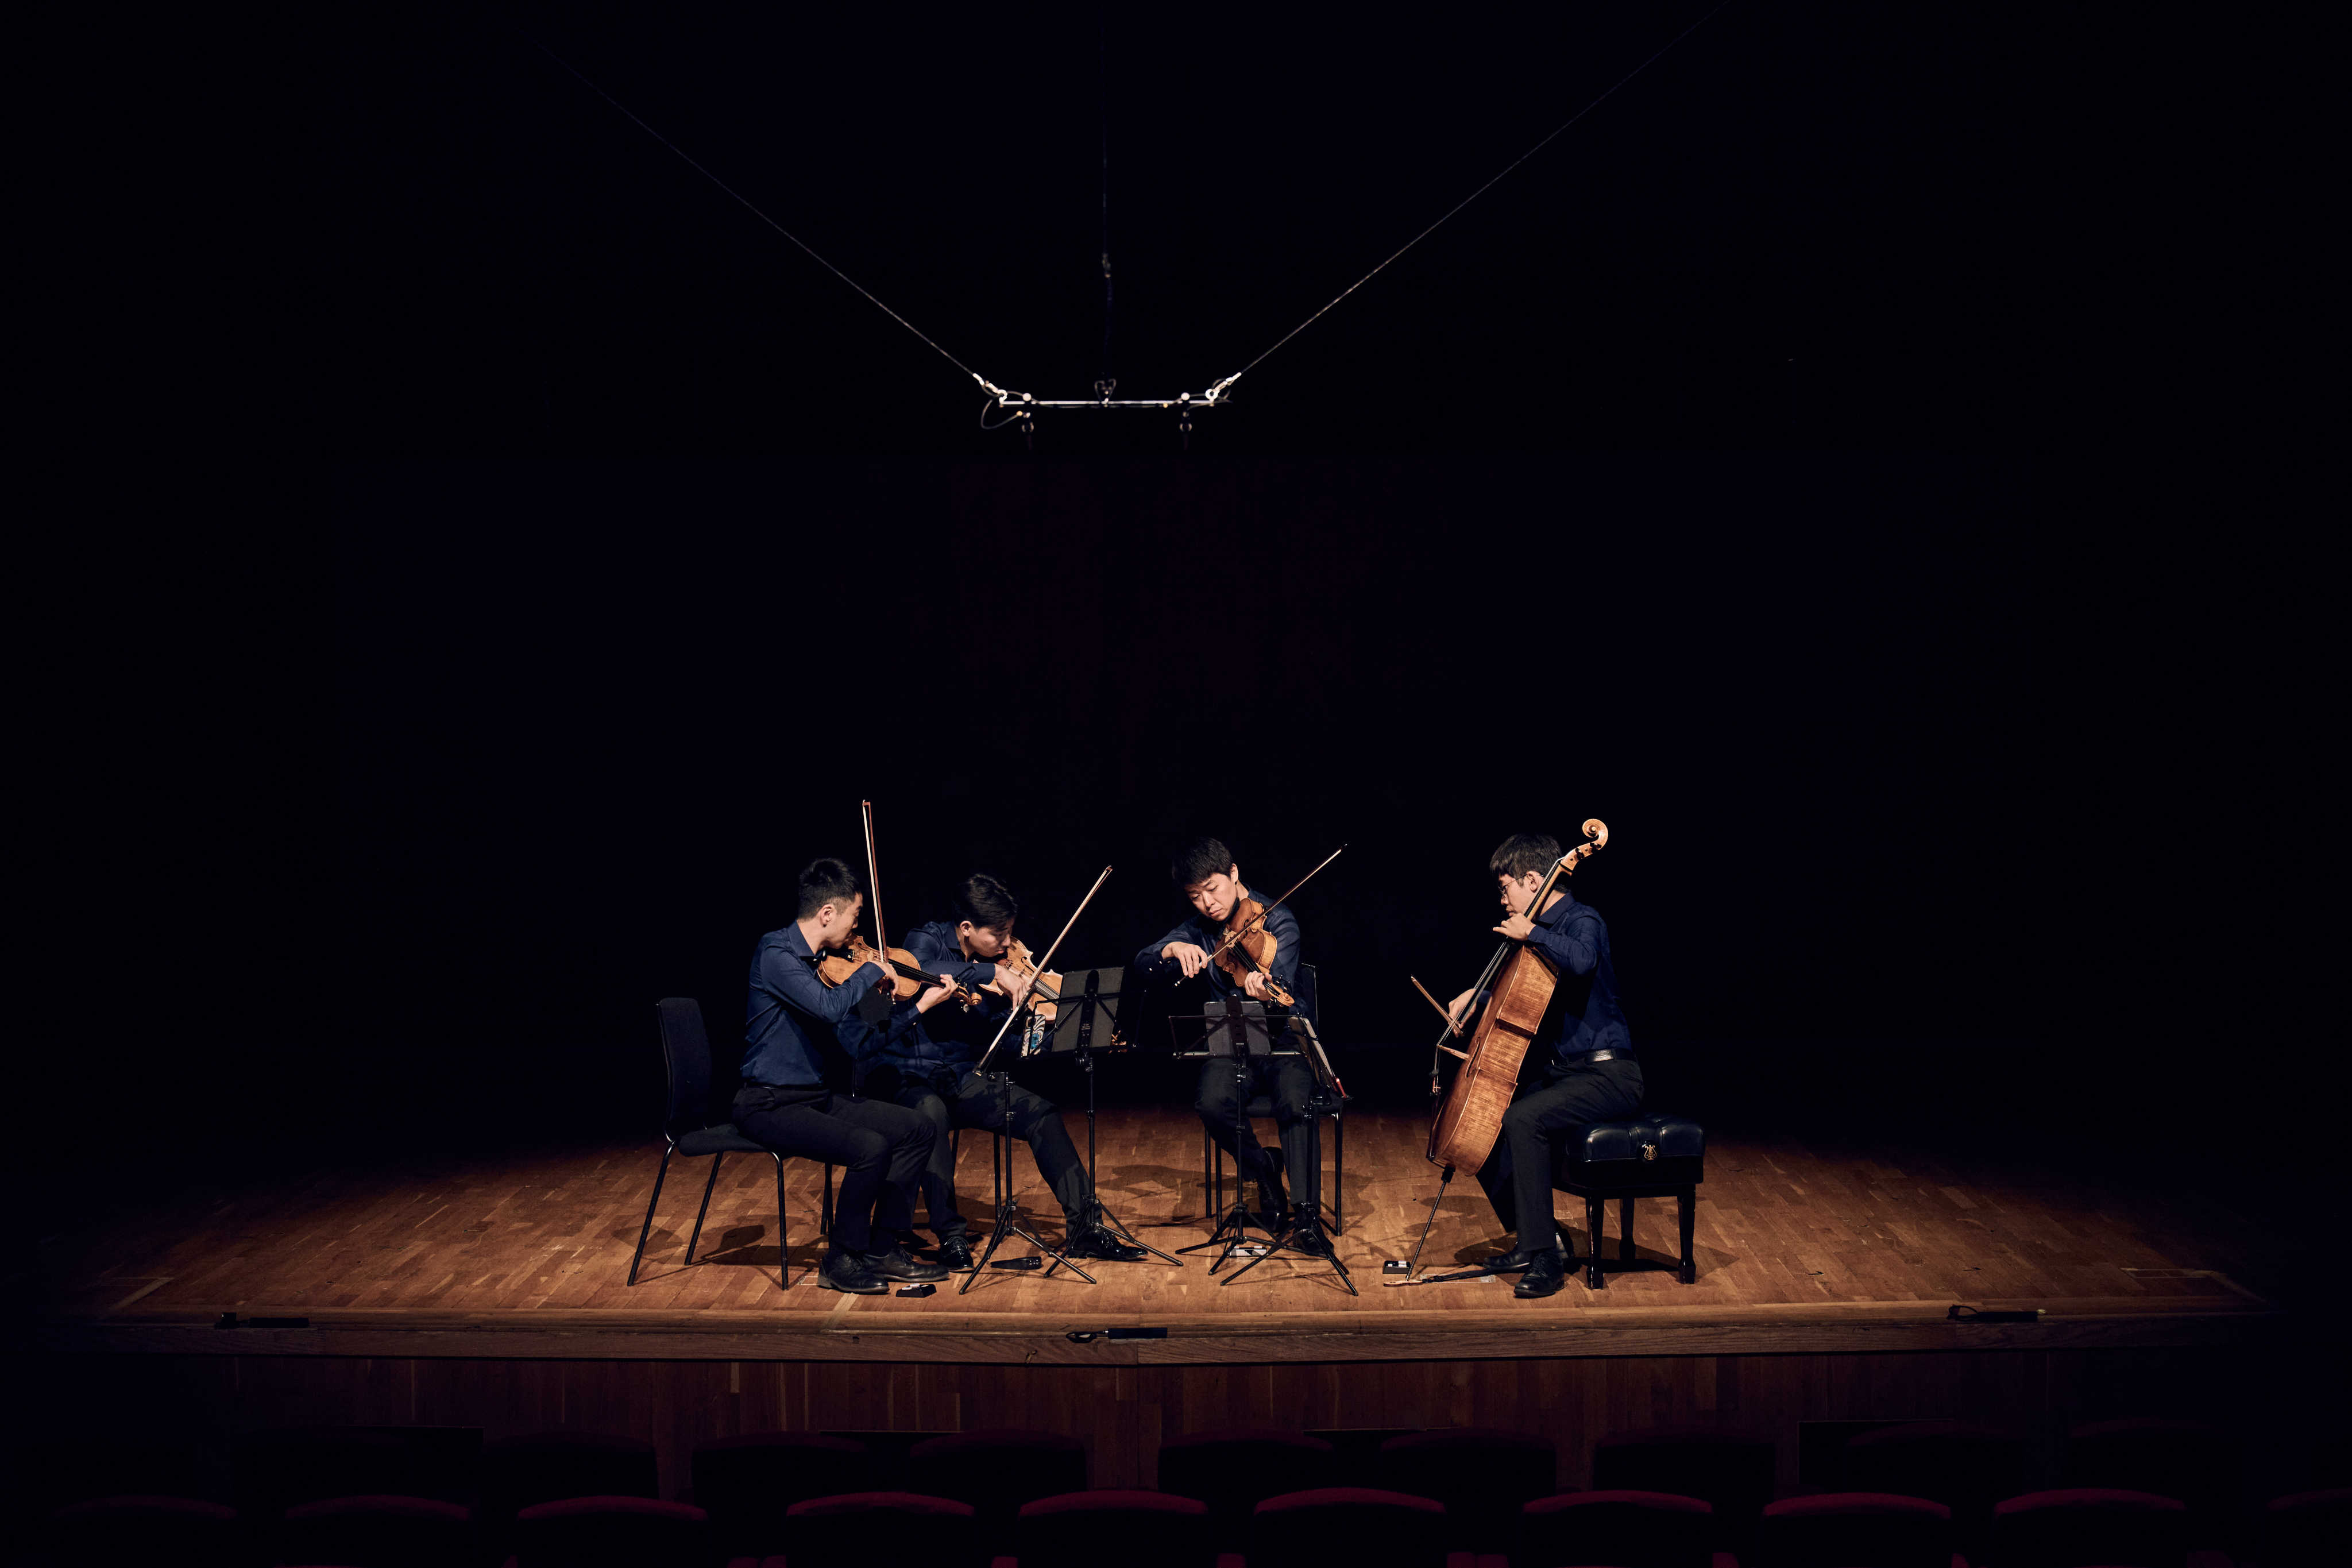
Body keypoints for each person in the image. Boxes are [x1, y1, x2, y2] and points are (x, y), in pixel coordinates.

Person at [847, 873, 1147, 1266]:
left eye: (1010, 933)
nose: (1008, 944)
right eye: (999, 934)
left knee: (1042, 1114)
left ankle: (1085, 1228)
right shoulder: (927, 940)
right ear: (967, 928)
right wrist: (993, 974)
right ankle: (951, 1235)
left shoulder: (997, 963)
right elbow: (923, 967)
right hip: (907, 1077)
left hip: (959, 1078)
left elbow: (993, 1041)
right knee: (930, 1115)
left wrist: (1035, 1035)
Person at [737, 857, 955, 1295]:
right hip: (768, 1102)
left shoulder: (831, 968)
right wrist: (874, 969)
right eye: (857, 916)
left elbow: (859, 1044)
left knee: (916, 1128)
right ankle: (840, 1259)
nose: (859, 931)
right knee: (870, 1148)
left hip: (814, 1097)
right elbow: (827, 1008)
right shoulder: (776, 954)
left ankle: (881, 1247)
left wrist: (917, 1008)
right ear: (827, 913)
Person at [1446, 832, 1639, 1299]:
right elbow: (1528, 990)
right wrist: (1480, 995)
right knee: (1485, 1125)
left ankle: (1546, 1260)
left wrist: (1532, 933)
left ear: (1533, 879)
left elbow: (1582, 961)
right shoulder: (1538, 934)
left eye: (1505, 886)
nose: (1503, 898)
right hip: (1568, 1073)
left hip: (1609, 1074)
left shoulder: (1580, 919)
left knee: (1523, 1117)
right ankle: (1539, 1238)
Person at [1133, 836, 1333, 1255]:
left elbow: (1281, 983)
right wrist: (1173, 947)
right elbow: (1143, 961)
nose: (1207, 903)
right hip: (1232, 1045)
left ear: (1234, 874)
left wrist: (1263, 986)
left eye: (1213, 889)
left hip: (1283, 1043)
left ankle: (1308, 1216)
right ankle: (1264, 1170)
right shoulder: (1199, 930)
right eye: (1195, 896)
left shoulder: (1279, 920)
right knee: (1211, 1103)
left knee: (1296, 1104)